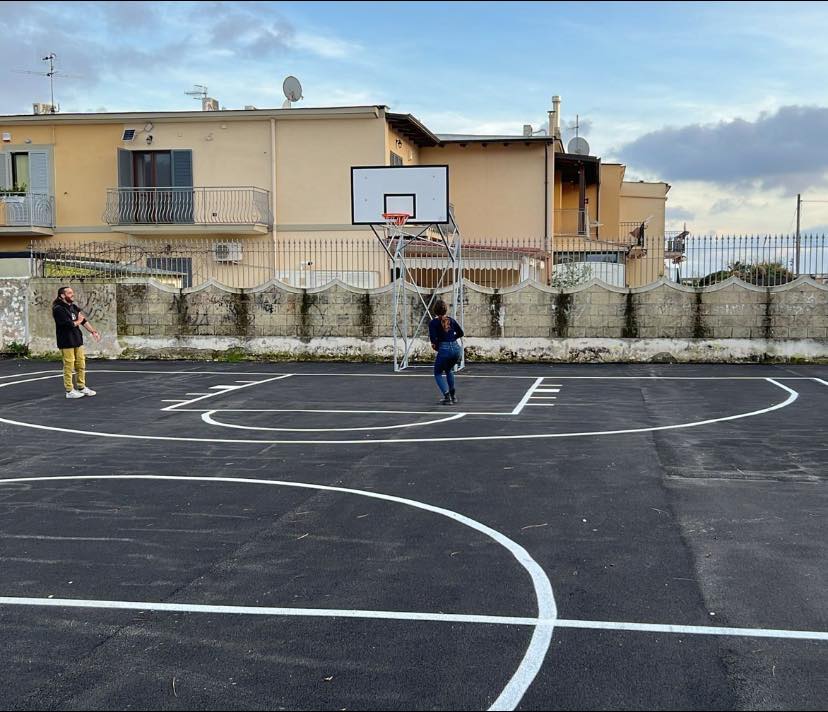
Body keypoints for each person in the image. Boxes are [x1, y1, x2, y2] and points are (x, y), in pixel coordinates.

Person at [52, 286, 101, 399]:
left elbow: (83, 321)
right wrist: (78, 320)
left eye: (72, 292)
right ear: (62, 295)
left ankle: (81, 387)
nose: (72, 294)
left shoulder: (73, 307)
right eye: (69, 293)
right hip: (66, 341)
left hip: (77, 340)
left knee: (80, 364)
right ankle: (69, 391)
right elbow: (69, 324)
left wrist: (93, 332)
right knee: (69, 366)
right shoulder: (58, 309)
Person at [429, 299, 464, 405]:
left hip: (444, 349)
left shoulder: (433, 323)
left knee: (438, 373)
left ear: (434, 310)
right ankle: (453, 395)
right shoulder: (451, 320)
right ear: (446, 310)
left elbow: (433, 340)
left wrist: (438, 346)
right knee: (449, 370)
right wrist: (452, 338)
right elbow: (461, 333)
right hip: (456, 348)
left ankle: (447, 395)